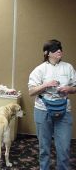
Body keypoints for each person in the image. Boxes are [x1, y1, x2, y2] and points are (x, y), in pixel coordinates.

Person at [28, 39, 76, 170]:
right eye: (55, 49)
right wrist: (46, 85)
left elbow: (75, 87)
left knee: (65, 148)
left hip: (64, 111)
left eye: (60, 48)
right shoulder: (39, 70)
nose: (59, 50)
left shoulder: (68, 67)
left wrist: (69, 89)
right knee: (44, 148)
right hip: (42, 111)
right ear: (47, 53)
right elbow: (31, 92)